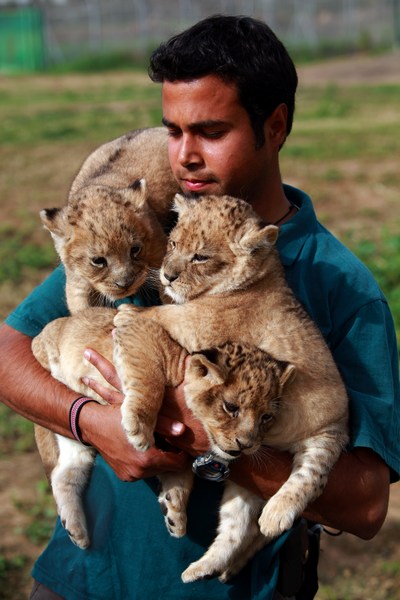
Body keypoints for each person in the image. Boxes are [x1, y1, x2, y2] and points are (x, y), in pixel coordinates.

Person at [0, 14, 399, 600]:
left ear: (277, 125)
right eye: (172, 130)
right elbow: (8, 354)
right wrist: (93, 424)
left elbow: (365, 505)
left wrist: (203, 439)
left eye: (210, 131)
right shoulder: (143, 236)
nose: (182, 156)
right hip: (79, 581)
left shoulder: (340, 284)